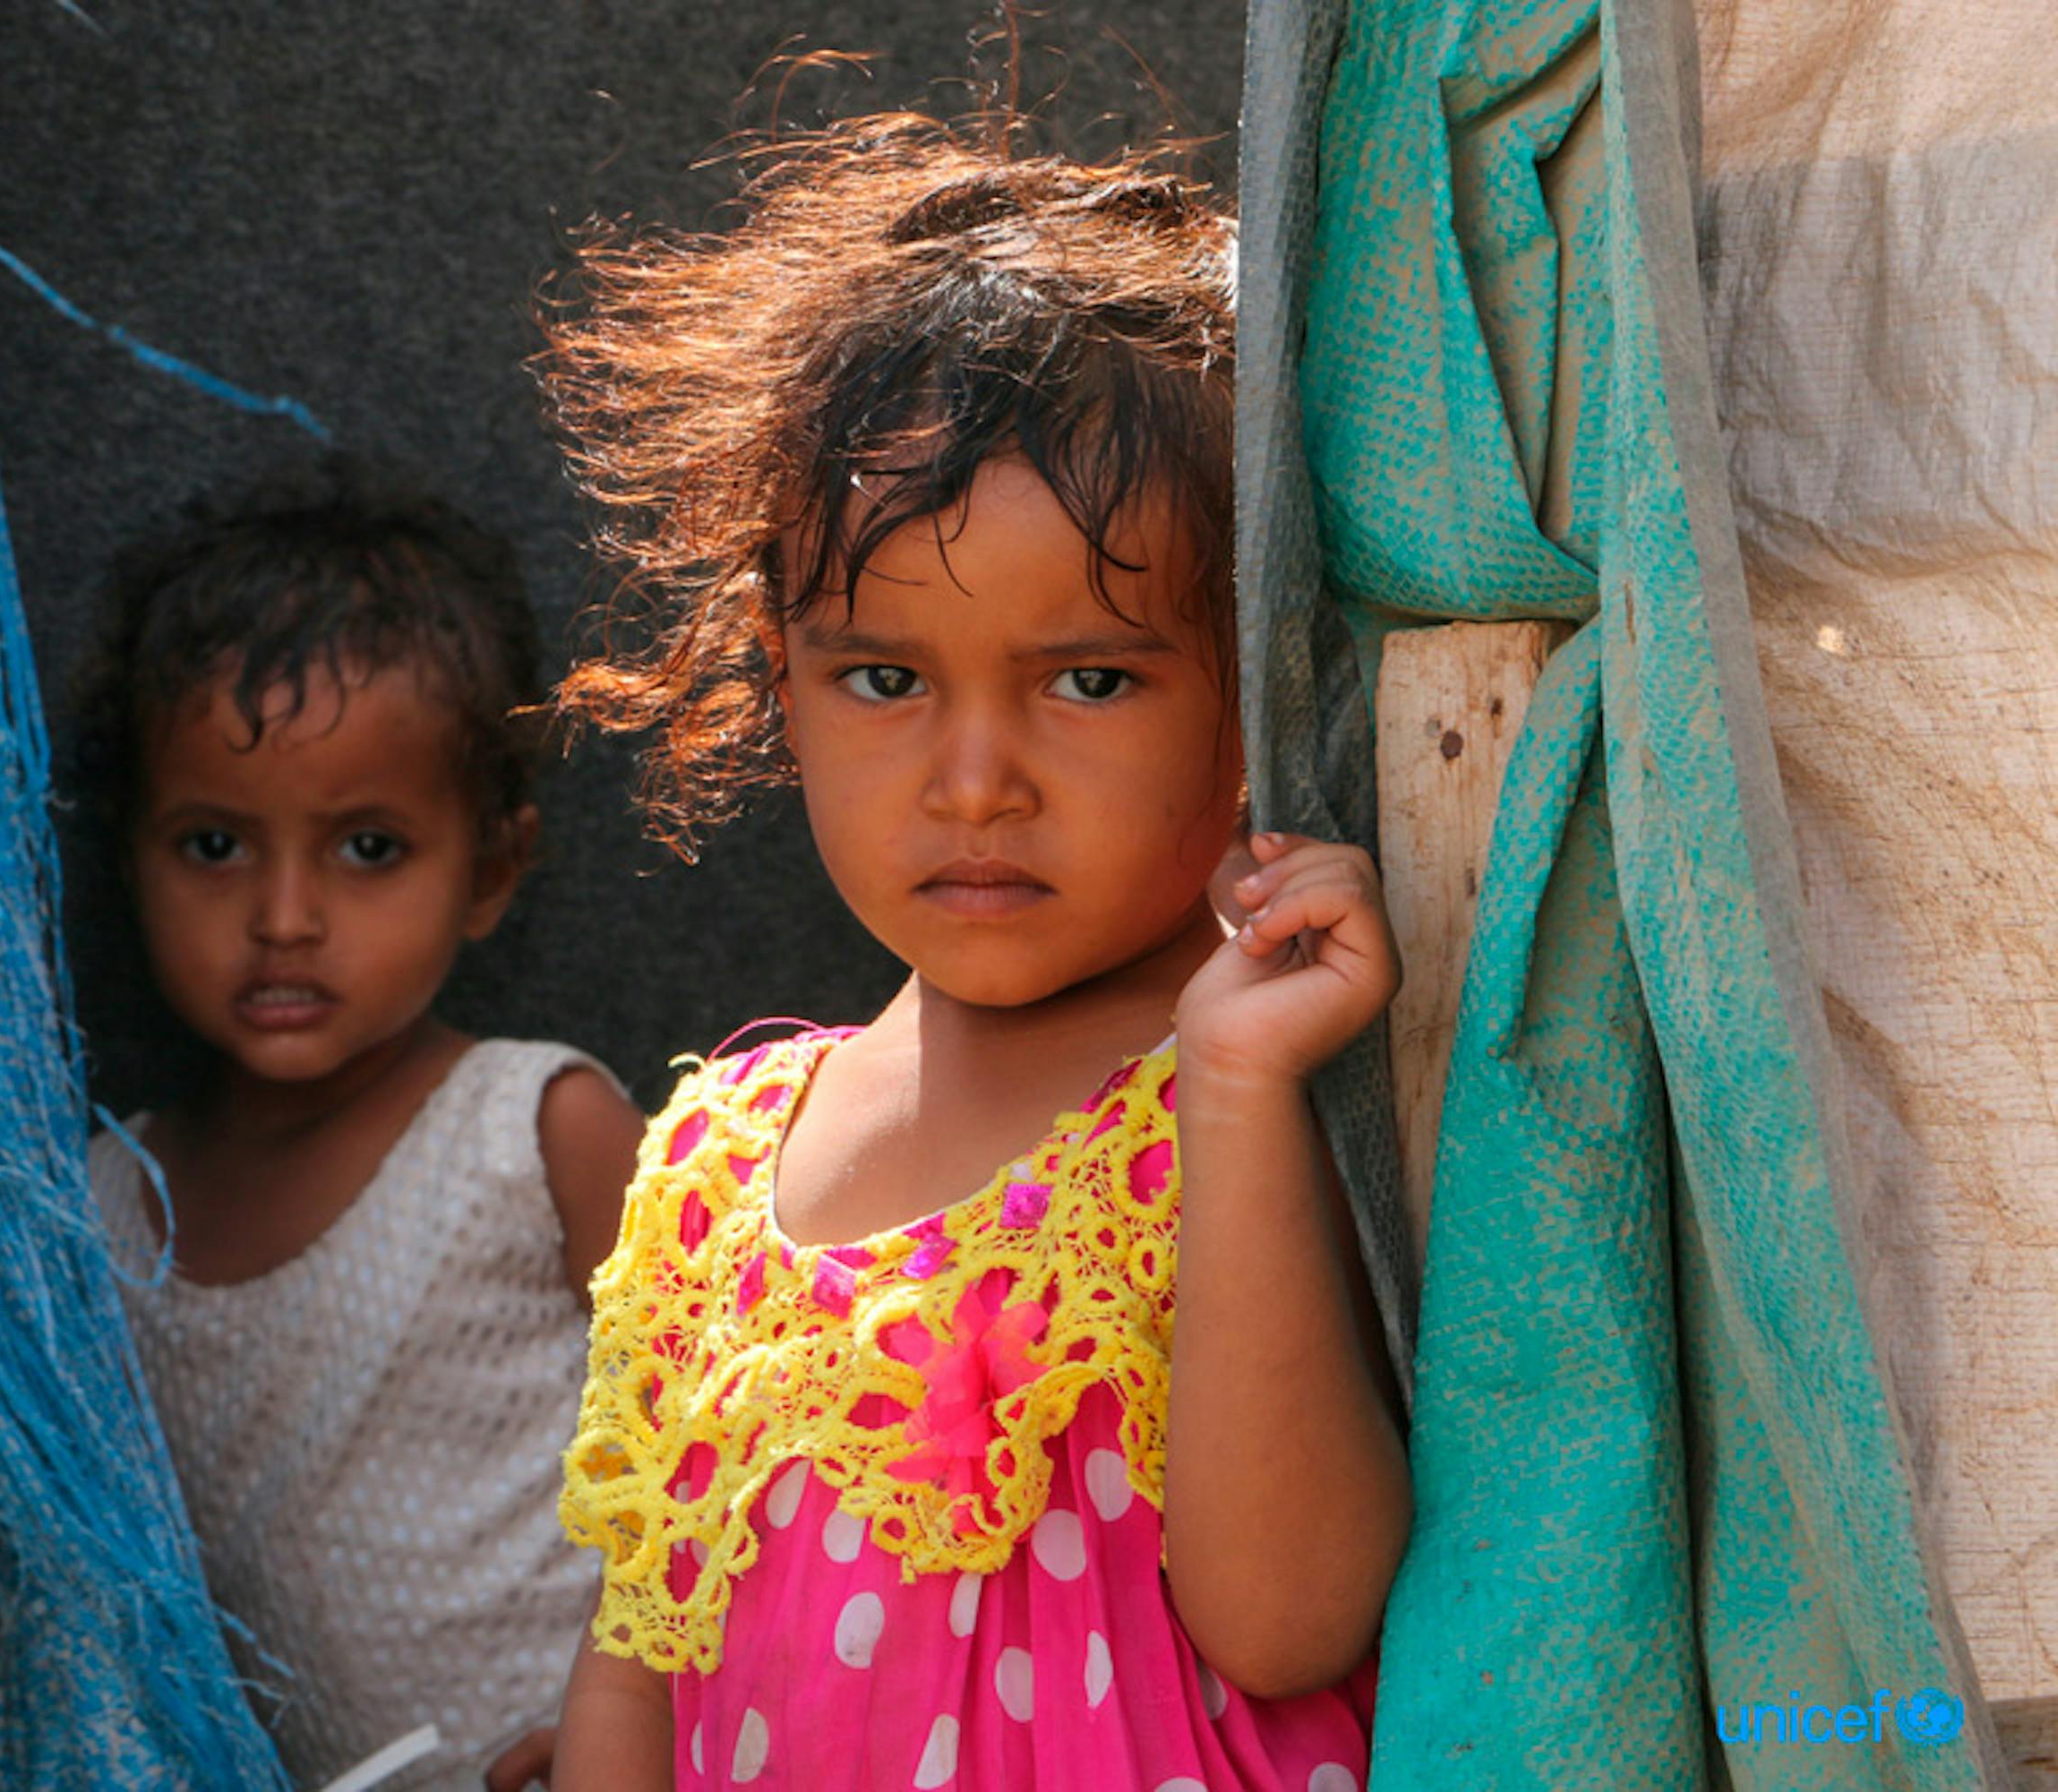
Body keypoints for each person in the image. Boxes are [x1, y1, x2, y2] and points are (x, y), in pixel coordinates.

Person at [536, 116, 1410, 1791]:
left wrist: (1235, 1092)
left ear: (1254, 686)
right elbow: (636, 1668)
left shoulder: (1244, 1078)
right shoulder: (715, 1166)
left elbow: (1289, 1619)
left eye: (1088, 679)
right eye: (884, 678)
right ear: (777, 677)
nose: (974, 779)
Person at [72, 458, 646, 1792]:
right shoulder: (107, 1203)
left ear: (490, 870)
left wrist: (660, 1725)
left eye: (367, 848)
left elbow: (729, 1459)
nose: (284, 915)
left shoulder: (533, 1131)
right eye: (215, 845)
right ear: (130, 857)